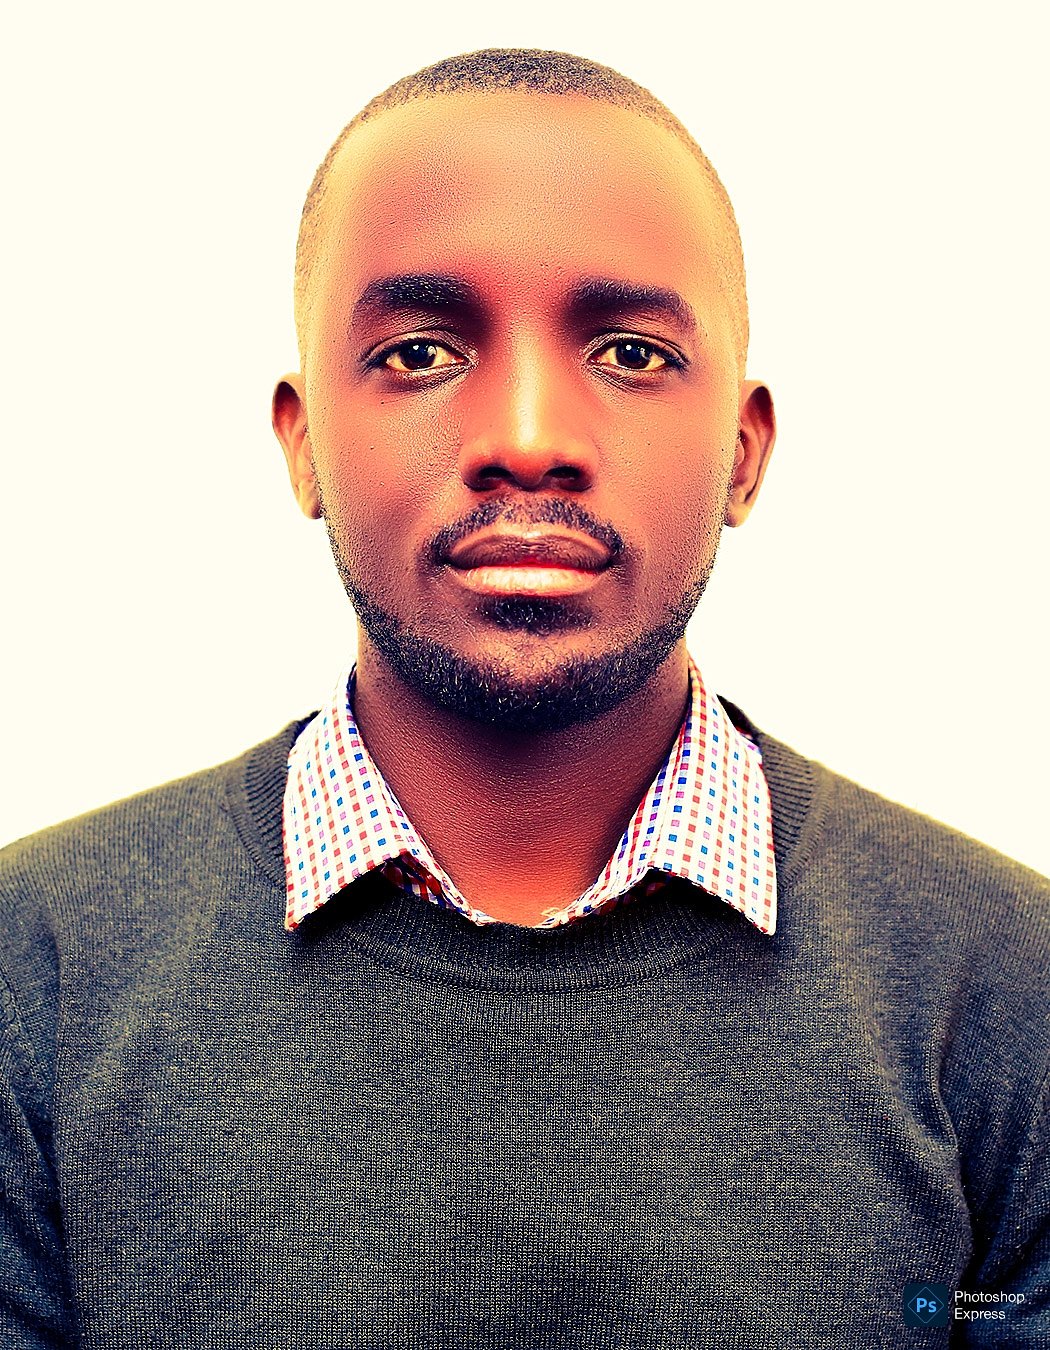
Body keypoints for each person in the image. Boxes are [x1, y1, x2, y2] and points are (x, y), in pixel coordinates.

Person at [1, 47, 1047, 1349]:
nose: (529, 438)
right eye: (420, 351)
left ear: (743, 450)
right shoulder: (33, 972)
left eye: (630, 351)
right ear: (301, 441)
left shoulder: (1009, 989)